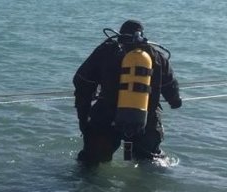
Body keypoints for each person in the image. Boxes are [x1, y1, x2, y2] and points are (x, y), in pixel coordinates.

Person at [73, 20, 182, 164]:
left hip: (106, 116)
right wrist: (175, 101)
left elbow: (82, 81)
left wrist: (83, 119)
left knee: (90, 161)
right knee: (151, 161)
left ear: (119, 35)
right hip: (145, 119)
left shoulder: (106, 51)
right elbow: (171, 89)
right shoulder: (155, 56)